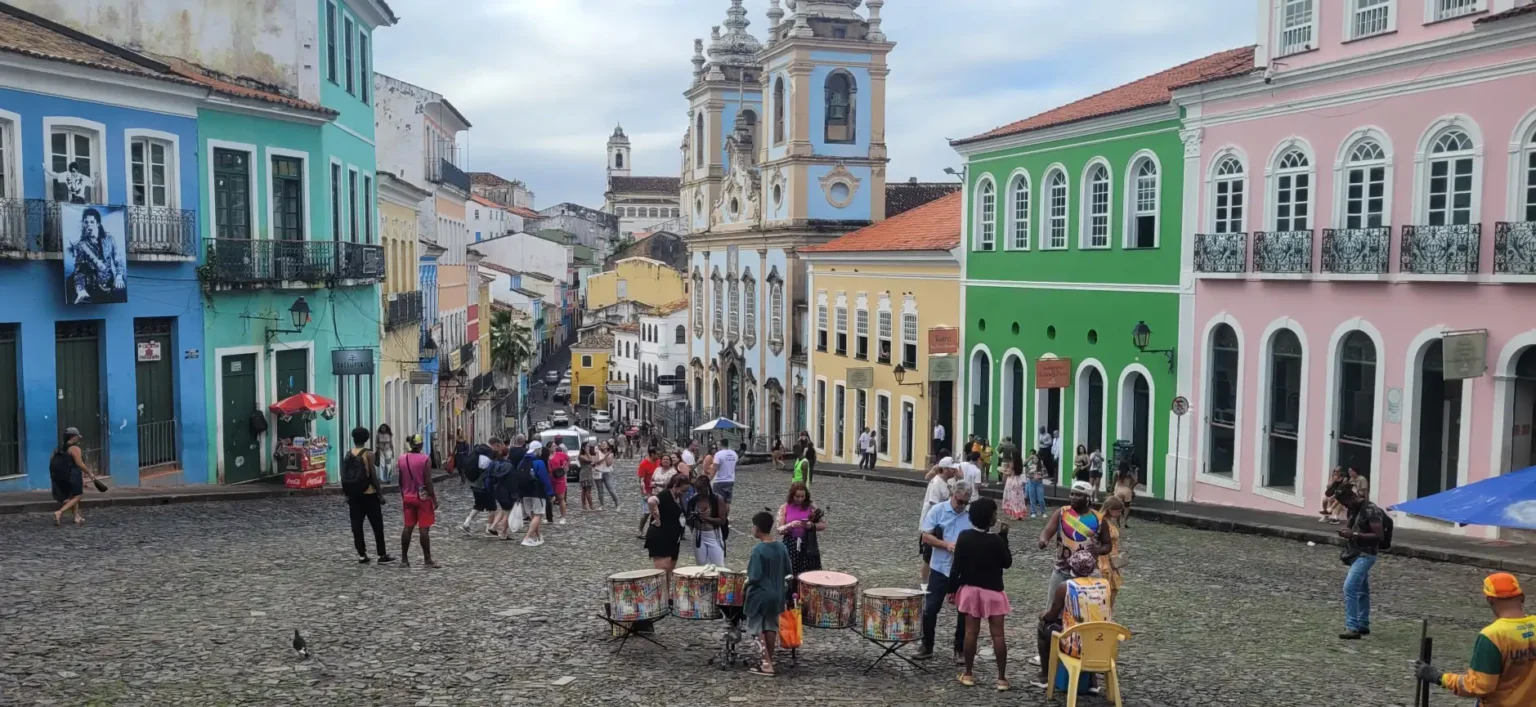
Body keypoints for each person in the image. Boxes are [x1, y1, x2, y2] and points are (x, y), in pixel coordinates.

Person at [1415, 573, 1536, 707]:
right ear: (1522, 598)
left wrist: (1438, 677)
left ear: (1490, 600)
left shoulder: (1493, 636)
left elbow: (1480, 686)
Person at [949, 498, 1012, 690]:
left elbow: (956, 567)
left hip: (970, 590)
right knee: (998, 636)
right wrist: (1004, 537)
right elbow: (1006, 562)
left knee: (970, 633)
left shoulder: (964, 536)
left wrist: (951, 590)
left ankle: (968, 674)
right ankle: (1001, 678)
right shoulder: (995, 540)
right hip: (993, 591)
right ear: (989, 518)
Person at [1031, 546, 1111, 693]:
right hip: (1101, 644)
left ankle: (1046, 676)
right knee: (1091, 630)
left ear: (1072, 567)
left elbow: (1051, 616)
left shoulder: (1066, 586)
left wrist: (1042, 614)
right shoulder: (1105, 584)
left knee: (1044, 626)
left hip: (1075, 646)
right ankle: (1092, 682)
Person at [915, 479, 975, 662]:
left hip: (963, 570)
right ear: (953, 495)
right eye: (959, 501)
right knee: (930, 609)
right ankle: (927, 646)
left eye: (966, 502)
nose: (962, 506)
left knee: (963, 612)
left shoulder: (969, 515)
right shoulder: (938, 510)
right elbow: (925, 536)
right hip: (940, 567)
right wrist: (946, 545)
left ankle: (960, 648)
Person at [1037, 481, 1112, 606]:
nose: (1073, 497)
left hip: (1088, 574)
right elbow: (1047, 531)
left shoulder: (1098, 519)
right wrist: (1043, 540)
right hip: (1062, 570)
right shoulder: (1062, 513)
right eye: (1071, 494)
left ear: (1088, 498)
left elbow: (1107, 545)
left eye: (1078, 495)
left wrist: (1098, 550)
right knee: (1052, 608)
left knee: (1087, 608)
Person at [745, 510, 792, 677]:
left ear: (757, 528)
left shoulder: (758, 550)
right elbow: (788, 570)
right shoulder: (781, 547)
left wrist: (746, 581)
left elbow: (755, 576)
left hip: (760, 595)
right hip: (778, 593)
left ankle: (765, 664)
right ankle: (769, 661)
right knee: (771, 627)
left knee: (758, 628)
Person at [1335, 486, 1386, 640]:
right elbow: (1350, 526)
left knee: (1349, 587)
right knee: (1362, 590)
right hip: (1355, 553)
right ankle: (1363, 623)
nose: (1345, 507)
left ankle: (1352, 627)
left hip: (1366, 554)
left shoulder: (1371, 510)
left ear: (1352, 498)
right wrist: (1346, 531)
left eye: (1346, 503)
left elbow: (1379, 535)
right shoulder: (1354, 510)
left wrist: (1355, 534)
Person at [342, 427, 394, 564]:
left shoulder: (348, 454)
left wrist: (347, 493)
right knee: (377, 525)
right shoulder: (368, 454)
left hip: (354, 496)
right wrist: (380, 494)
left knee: (357, 526)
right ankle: (382, 554)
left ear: (353, 438)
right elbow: (372, 476)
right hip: (369, 494)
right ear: (366, 439)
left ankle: (362, 554)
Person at [65, 207, 126, 304]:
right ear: (83, 224)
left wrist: (119, 275)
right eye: (86, 222)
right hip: (91, 286)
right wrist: (80, 290)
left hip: (108, 282)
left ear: (98, 224)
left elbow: (117, 258)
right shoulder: (81, 246)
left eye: (92, 222)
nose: (89, 225)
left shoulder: (109, 239)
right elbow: (79, 271)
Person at [396, 434, 439, 568]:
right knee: (423, 529)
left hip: (408, 497)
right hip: (422, 498)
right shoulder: (425, 459)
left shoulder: (401, 459)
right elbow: (428, 481)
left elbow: (400, 481)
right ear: (420, 445)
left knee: (407, 527)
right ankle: (427, 559)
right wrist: (434, 498)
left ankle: (404, 559)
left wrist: (403, 495)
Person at [918, 457, 958, 591]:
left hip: (943, 524)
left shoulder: (949, 481)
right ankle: (924, 582)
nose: (955, 471)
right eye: (952, 469)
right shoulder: (936, 483)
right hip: (932, 525)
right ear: (945, 469)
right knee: (928, 555)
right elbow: (935, 506)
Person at [50, 427, 100, 526]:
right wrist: (89, 473)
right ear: (73, 437)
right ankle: (59, 512)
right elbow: (79, 463)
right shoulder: (74, 448)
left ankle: (76, 516)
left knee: (72, 496)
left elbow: (51, 460)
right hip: (72, 474)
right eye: (77, 436)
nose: (78, 438)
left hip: (59, 476)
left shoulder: (58, 448)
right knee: (78, 496)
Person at [645, 474, 689, 587]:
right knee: (662, 570)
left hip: (673, 539)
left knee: (670, 570)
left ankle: (667, 596)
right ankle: (659, 597)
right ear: (675, 486)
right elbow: (651, 501)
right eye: (683, 490)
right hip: (661, 537)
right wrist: (656, 518)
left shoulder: (678, 497)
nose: (684, 493)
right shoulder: (665, 494)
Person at [776, 481, 825, 576]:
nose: (800, 499)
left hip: (808, 544)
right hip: (790, 544)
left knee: (808, 574)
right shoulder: (784, 507)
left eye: (803, 496)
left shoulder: (811, 507)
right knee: (791, 573)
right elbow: (779, 529)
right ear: (792, 495)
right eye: (797, 496)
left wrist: (812, 525)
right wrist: (790, 525)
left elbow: (823, 524)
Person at [686, 476, 728, 565]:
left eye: (701, 490)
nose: (699, 492)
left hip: (714, 534)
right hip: (698, 534)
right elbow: (688, 519)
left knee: (718, 564)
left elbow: (722, 520)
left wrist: (706, 518)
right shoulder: (693, 500)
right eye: (697, 490)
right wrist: (693, 517)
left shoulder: (717, 499)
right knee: (701, 564)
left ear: (707, 487)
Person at [520, 442, 554, 547]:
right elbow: (544, 478)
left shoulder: (522, 461)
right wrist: (550, 492)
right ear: (538, 450)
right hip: (537, 492)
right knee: (538, 515)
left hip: (525, 492)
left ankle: (539, 536)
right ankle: (527, 538)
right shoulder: (539, 462)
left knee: (533, 516)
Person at [1097, 496, 1128, 609]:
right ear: (1110, 509)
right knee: (1106, 592)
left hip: (1113, 560)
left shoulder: (1109, 522)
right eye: (1118, 511)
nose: (1119, 514)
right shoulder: (1102, 523)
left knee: (1113, 590)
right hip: (1104, 560)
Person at [636, 448, 660, 538]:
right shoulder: (643, 464)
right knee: (646, 513)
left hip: (657, 490)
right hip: (647, 490)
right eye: (657, 454)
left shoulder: (659, 462)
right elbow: (641, 480)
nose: (658, 456)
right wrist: (645, 493)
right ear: (652, 454)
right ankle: (640, 530)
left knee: (657, 512)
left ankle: (653, 531)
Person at [1001, 450, 1028, 521]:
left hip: (1012, 480)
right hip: (1018, 481)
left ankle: (1014, 514)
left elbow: (1009, 473)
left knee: (1012, 498)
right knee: (1019, 498)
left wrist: (1002, 470)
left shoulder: (1011, 463)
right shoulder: (1019, 463)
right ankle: (1019, 514)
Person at [712, 441, 740, 505]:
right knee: (727, 502)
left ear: (720, 445)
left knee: (718, 502)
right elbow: (734, 467)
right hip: (731, 480)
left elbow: (715, 469)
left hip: (719, 481)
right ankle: (726, 514)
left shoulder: (718, 454)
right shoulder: (734, 454)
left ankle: (720, 514)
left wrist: (709, 479)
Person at [548, 444, 570, 525]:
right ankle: (549, 517)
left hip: (559, 478)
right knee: (549, 499)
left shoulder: (560, 454)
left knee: (561, 498)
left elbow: (568, 458)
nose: (555, 447)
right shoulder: (546, 456)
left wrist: (566, 467)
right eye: (552, 446)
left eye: (555, 446)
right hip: (550, 478)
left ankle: (563, 517)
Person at [594, 440, 619, 509]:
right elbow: (596, 462)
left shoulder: (611, 454)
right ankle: (602, 505)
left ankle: (617, 504)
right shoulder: (598, 452)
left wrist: (606, 456)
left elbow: (608, 464)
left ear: (608, 445)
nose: (603, 445)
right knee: (600, 490)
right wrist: (604, 457)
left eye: (605, 444)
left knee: (610, 489)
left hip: (606, 473)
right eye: (602, 443)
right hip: (598, 472)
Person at [1112, 461, 1137, 528]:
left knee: (1118, 507)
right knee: (1127, 507)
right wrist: (1131, 487)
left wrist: (1111, 492)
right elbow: (1136, 481)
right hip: (1127, 490)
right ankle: (1125, 522)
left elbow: (1113, 483)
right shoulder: (1129, 473)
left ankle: (1118, 523)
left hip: (1118, 490)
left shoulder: (1117, 473)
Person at [1025, 448, 1048, 518]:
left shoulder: (1041, 467)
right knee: (1032, 499)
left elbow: (1046, 474)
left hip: (1039, 483)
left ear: (1038, 459)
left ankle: (1043, 512)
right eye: (1034, 459)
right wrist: (1030, 475)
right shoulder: (1030, 466)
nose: (1035, 460)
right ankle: (1033, 512)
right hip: (1031, 483)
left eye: (1036, 459)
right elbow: (1026, 473)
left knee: (1041, 499)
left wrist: (1041, 476)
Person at [578, 442, 597, 511]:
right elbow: (590, 460)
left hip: (589, 472)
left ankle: (585, 505)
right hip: (585, 474)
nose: (588, 448)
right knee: (587, 490)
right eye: (587, 447)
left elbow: (591, 463)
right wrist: (587, 452)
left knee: (585, 490)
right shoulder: (581, 456)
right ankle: (590, 505)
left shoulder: (586, 455)